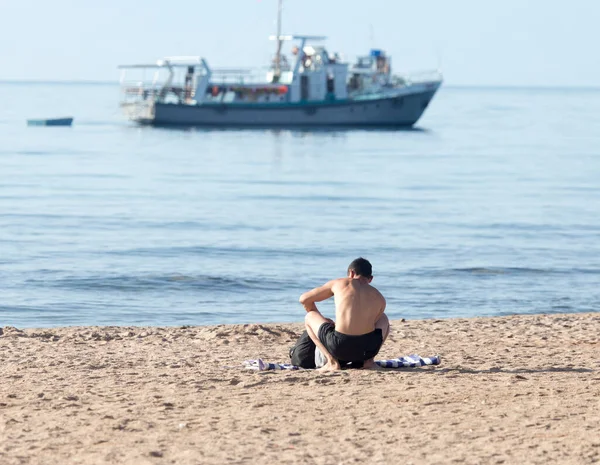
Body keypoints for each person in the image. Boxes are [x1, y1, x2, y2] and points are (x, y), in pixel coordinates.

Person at [291, 257, 389, 370]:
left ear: (351, 273)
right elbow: (373, 323)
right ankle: (369, 362)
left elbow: (304, 299)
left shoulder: (341, 283)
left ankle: (332, 362)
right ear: (370, 279)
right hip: (367, 350)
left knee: (310, 317)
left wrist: (321, 319)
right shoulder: (379, 297)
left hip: (339, 346)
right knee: (384, 318)